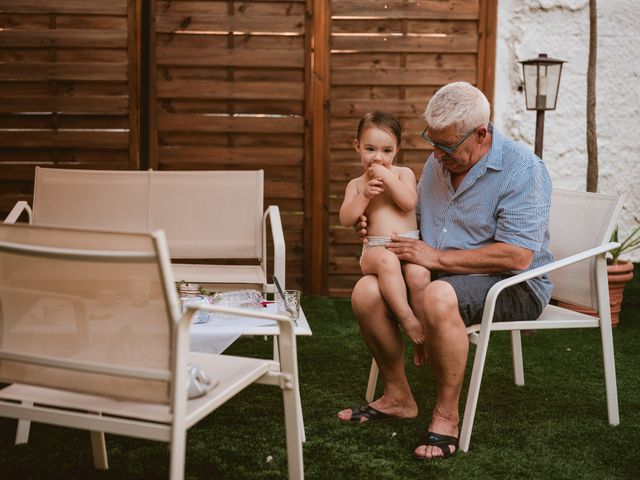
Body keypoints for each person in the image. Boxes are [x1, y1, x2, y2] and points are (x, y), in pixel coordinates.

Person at [337, 82, 553, 461]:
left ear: (482, 133)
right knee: (366, 292)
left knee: (438, 294)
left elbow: (517, 257)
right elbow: (413, 216)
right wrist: (374, 222)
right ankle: (397, 396)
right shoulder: (440, 162)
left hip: (512, 284)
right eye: (432, 142)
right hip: (439, 273)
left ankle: (445, 416)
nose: (436, 154)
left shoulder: (523, 170)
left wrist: (436, 259)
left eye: (447, 146)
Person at [339, 111, 430, 345]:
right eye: (370, 149)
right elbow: (346, 218)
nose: (378, 158)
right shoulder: (356, 184)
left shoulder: (403, 174)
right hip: (375, 252)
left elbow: (408, 202)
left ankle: (423, 336)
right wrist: (364, 196)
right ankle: (407, 319)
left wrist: (387, 177)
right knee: (388, 262)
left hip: (408, 246)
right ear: (357, 147)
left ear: (396, 150)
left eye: (386, 151)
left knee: (419, 275)